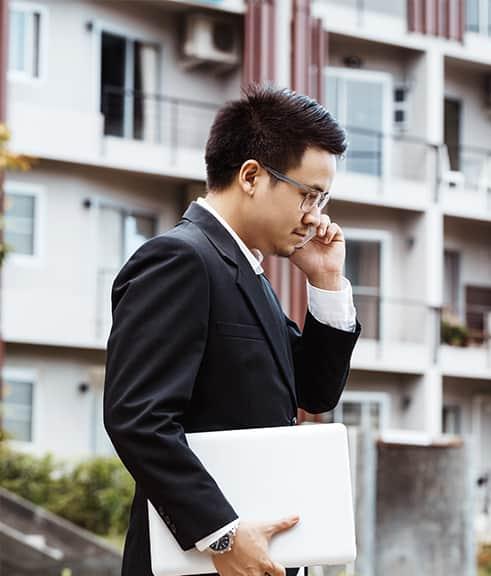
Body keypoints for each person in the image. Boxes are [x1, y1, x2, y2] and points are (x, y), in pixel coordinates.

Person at [104, 84, 361, 576]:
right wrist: (221, 535)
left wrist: (327, 281)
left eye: (323, 198)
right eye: (308, 195)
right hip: (204, 564)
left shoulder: (245, 273)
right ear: (250, 176)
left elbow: (315, 392)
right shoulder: (181, 259)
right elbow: (137, 417)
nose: (316, 216)